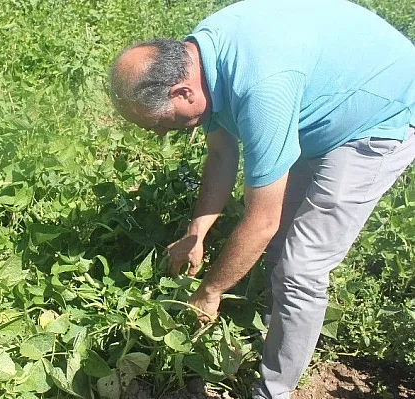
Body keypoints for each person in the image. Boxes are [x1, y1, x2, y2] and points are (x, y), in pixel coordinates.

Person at [107, 0, 415, 397]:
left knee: (300, 267)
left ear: (183, 93)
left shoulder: (260, 90)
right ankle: (280, 328)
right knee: (279, 242)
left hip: (381, 111)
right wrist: (197, 232)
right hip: (321, 86)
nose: (160, 135)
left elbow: (261, 222)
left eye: (158, 124)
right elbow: (221, 152)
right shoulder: (200, 58)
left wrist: (209, 293)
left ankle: (273, 390)